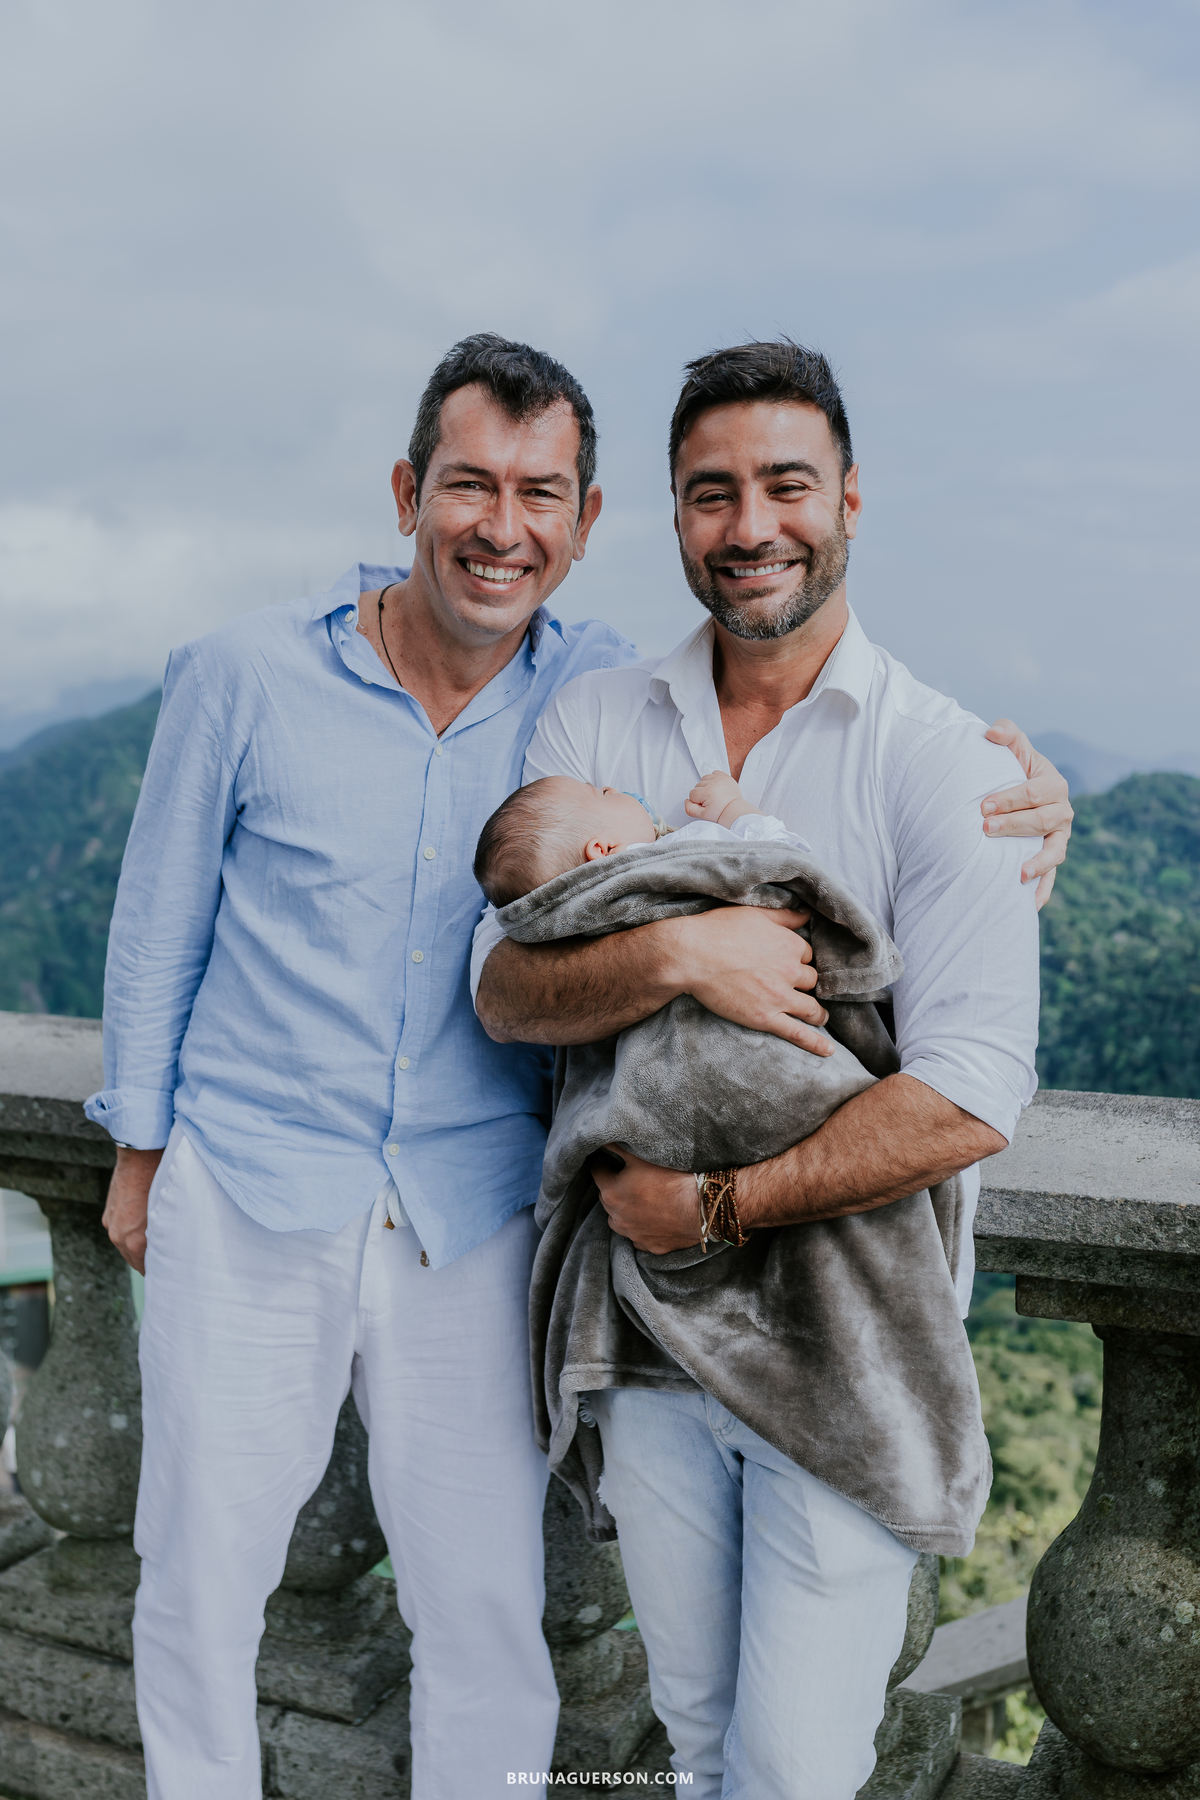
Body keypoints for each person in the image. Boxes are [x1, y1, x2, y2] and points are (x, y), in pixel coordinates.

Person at [90, 330, 1066, 1800]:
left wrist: (1036, 800)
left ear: (589, 518)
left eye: (540, 493)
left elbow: (957, 1042)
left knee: (508, 1618)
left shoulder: (622, 698)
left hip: (501, 1226)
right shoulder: (285, 681)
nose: (503, 526)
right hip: (264, 1191)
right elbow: (168, 924)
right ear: (408, 492)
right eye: (470, 484)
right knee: (202, 1578)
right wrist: (139, 1153)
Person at [473, 340, 1050, 1798]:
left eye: (785, 486)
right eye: (711, 493)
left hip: (839, 1339)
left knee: (795, 1766)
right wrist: (685, 954)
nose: (749, 527)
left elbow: (972, 1089)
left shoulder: (946, 763)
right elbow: (506, 983)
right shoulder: (596, 722)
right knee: (697, 1729)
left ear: (849, 497)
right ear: (673, 514)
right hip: (653, 1338)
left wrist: (715, 1204)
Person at [473, 769, 791, 906]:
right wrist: (731, 808)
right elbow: (785, 861)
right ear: (604, 849)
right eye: (601, 794)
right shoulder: (680, 856)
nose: (612, 788)